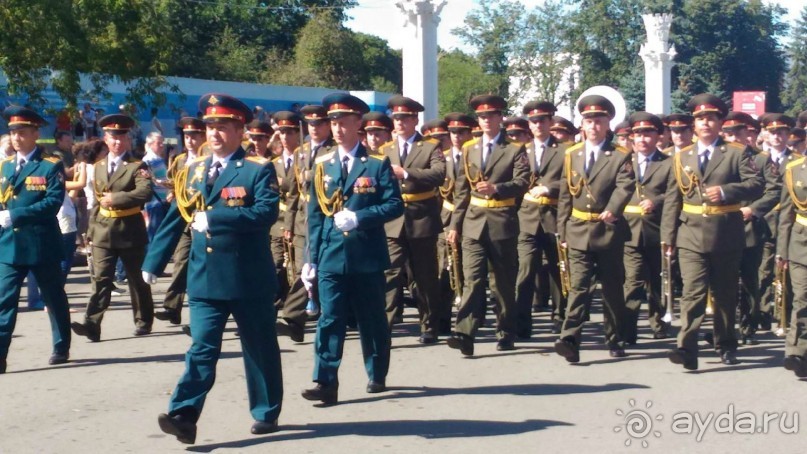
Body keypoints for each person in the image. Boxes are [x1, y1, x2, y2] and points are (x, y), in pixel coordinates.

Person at [143, 93, 283, 442]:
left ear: (240, 131)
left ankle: (265, 410)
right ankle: (184, 414)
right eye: (211, 127)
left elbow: (265, 213)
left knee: (259, 347)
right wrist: (153, 262)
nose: (215, 134)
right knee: (202, 348)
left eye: (223, 127)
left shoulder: (257, 170)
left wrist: (217, 217)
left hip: (246, 276)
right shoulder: (192, 170)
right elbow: (176, 218)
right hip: (205, 277)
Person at [301, 93, 403, 405]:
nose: (338, 128)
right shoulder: (322, 165)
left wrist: (360, 217)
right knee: (330, 318)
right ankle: (325, 382)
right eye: (333, 122)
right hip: (332, 254)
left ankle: (376, 372)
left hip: (366, 255)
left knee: (372, 319)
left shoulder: (376, 163)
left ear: (358, 123)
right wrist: (310, 259)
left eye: (344, 122)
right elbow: (315, 216)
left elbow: (394, 205)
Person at [661, 94, 764, 370]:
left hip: (726, 233)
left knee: (725, 294)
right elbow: (673, 198)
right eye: (700, 119)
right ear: (694, 125)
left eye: (711, 118)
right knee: (692, 294)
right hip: (690, 234)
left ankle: (726, 343)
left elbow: (757, 184)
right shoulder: (681, 156)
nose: (705, 123)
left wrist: (727, 191)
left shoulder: (736, 152)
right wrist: (667, 237)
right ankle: (686, 347)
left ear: (720, 122)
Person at [446, 95, 531, 355]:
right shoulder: (470, 148)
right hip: (473, 222)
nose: (486, 121)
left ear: (500, 118)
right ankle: (465, 333)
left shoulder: (514, 149)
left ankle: (505, 330)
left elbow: (523, 181)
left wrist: (497, 188)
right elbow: (461, 190)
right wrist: (454, 224)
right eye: (482, 117)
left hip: (501, 221)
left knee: (502, 283)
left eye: (491, 116)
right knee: (472, 279)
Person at [554, 95, 635, 363]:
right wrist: (562, 231)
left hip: (608, 230)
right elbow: (565, 194)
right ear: (582, 124)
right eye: (589, 121)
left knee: (612, 288)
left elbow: (625, 185)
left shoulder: (620, 155)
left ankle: (615, 337)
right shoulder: (571, 154)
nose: (593, 126)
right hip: (578, 229)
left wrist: (613, 208)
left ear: (608, 123)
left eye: (599, 121)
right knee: (579, 287)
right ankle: (570, 338)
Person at [71, 114, 155, 341]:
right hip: (102, 231)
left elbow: (145, 192)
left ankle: (144, 320)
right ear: (105, 139)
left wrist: (116, 198)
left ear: (128, 140)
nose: (117, 142)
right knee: (101, 279)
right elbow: (97, 202)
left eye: (122, 137)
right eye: (112, 137)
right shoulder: (97, 167)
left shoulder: (138, 166)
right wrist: (89, 231)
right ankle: (92, 325)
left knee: (137, 280)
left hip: (130, 231)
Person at [0, 106, 72, 373]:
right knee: (3, 300)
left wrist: (15, 215)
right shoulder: (5, 166)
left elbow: (52, 203)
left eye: (21, 132)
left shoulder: (50, 165)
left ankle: (61, 345)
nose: (16, 137)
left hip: (41, 243)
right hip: (9, 244)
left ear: (35, 134)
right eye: (13, 132)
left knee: (53, 298)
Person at [378, 95, 446, 342]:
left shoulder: (430, 146)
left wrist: (405, 173)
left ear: (414, 120)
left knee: (424, 276)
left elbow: (439, 174)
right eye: (395, 118)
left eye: (404, 118)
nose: (399, 123)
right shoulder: (386, 149)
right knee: (390, 273)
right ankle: (384, 325)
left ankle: (429, 325)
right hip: (393, 220)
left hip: (421, 218)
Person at [276, 105, 335, 342]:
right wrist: (288, 223)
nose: (315, 128)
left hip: (327, 218)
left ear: (328, 125)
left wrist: (315, 176)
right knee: (304, 270)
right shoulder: (301, 151)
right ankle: (293, 319)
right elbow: (292, 193)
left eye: (319, 123)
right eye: (311, 124)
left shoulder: (336, 151)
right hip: (303, 221)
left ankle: (333, 315)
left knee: (325, 273)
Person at [514, 101, 569, 338]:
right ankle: (522, 321)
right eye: (534, 121)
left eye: (543, 121)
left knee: (558, 271)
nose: (538, 125)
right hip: (527, 218)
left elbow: (572, 181)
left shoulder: (566, 150)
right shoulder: (519, 150)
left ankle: (560, 317)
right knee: (526, 270)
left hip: (555, 216)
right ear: (529, 124)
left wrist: (549, 188)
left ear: (550, 123)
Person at [621, 112, 673, 342]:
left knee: (658, 281)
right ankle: (627, 327)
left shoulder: (669, 163)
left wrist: (656, 202)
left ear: (658, 136)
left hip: (656, 230)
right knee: (633, 280)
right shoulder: (623, 162)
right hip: (628, 231)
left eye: (648, 133)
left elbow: (675, 194)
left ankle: (658, 323)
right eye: (638, 134)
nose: (642, 139)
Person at [153, 117, 208, 326]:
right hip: (184, 219)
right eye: (187, 136)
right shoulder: (180, 160)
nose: (191, 140)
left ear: (203, 136)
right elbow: (176, 182)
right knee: (181, 260)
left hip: (205, 219)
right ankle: (172, 306)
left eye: (195, 135)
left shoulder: (208, 159)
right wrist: (170, 189)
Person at [776, 144, 807, 378]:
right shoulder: (794, 169)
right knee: (802, 298)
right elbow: (786, 213)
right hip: (801, 243)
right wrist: (782, 251)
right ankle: (796, 352)